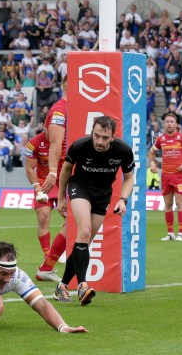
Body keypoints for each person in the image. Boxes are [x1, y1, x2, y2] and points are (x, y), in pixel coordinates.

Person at [54, 115, 137, 305]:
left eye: (105, 138)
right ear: (92, 132)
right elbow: (66, 170)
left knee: (83, 243)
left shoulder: (123, 150)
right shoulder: (80, 146)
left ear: (112, 137)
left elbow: (129, 178)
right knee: (84, 230)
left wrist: (123, 200)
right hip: (79, 187)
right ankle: (83, 286)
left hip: (103, 195)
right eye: (97, 136)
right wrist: (61, 198)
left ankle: (62, 285)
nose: (100, 141)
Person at [35, 75, 69, 282]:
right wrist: (54, 172)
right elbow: (55, 144)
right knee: (70, 220)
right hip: (67, 171)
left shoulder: (72, 109)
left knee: (77, 221)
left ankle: (48, 265)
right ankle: (47, 264)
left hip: (76, 170)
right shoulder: (59, 110)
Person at [148, 112, 182, 241]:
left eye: (172, 121)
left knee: (179, 203)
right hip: (166, 176)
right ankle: (170, 233)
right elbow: (151, 152)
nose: (169, 124)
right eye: (167, 121)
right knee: (167, 204)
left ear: (176, 124)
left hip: (179, 176)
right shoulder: (161, 139)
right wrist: (152, 164)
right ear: (164, 124)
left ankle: (181, 233)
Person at [22, 130, 59, 265]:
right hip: (44, 183)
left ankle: (62, 250)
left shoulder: (65, 140)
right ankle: (47, 255)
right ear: (45, 126)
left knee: (71, 219)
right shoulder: (34, 144)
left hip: (62, 182)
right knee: (43, 217)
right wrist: (38, 190)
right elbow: (29, 169)